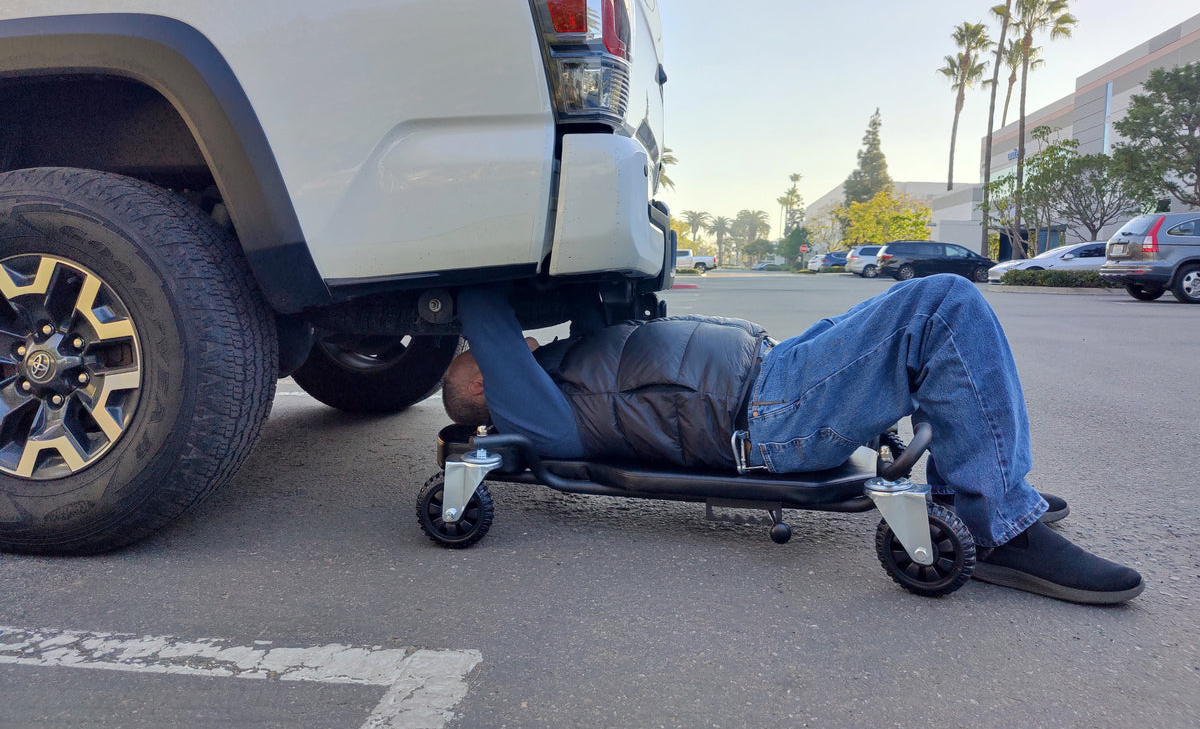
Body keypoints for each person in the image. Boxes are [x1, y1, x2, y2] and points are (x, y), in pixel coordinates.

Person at [442, 275, 1143, 605]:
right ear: (488, 391)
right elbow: (485, 310)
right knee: (943, 306)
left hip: (774, 369)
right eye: (485, 367)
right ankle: (998, 523)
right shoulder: (539, 412)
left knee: (916, 306)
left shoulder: (570, 358)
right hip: (767, 415)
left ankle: (987, 484)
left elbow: (582, 294)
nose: (519, 346)